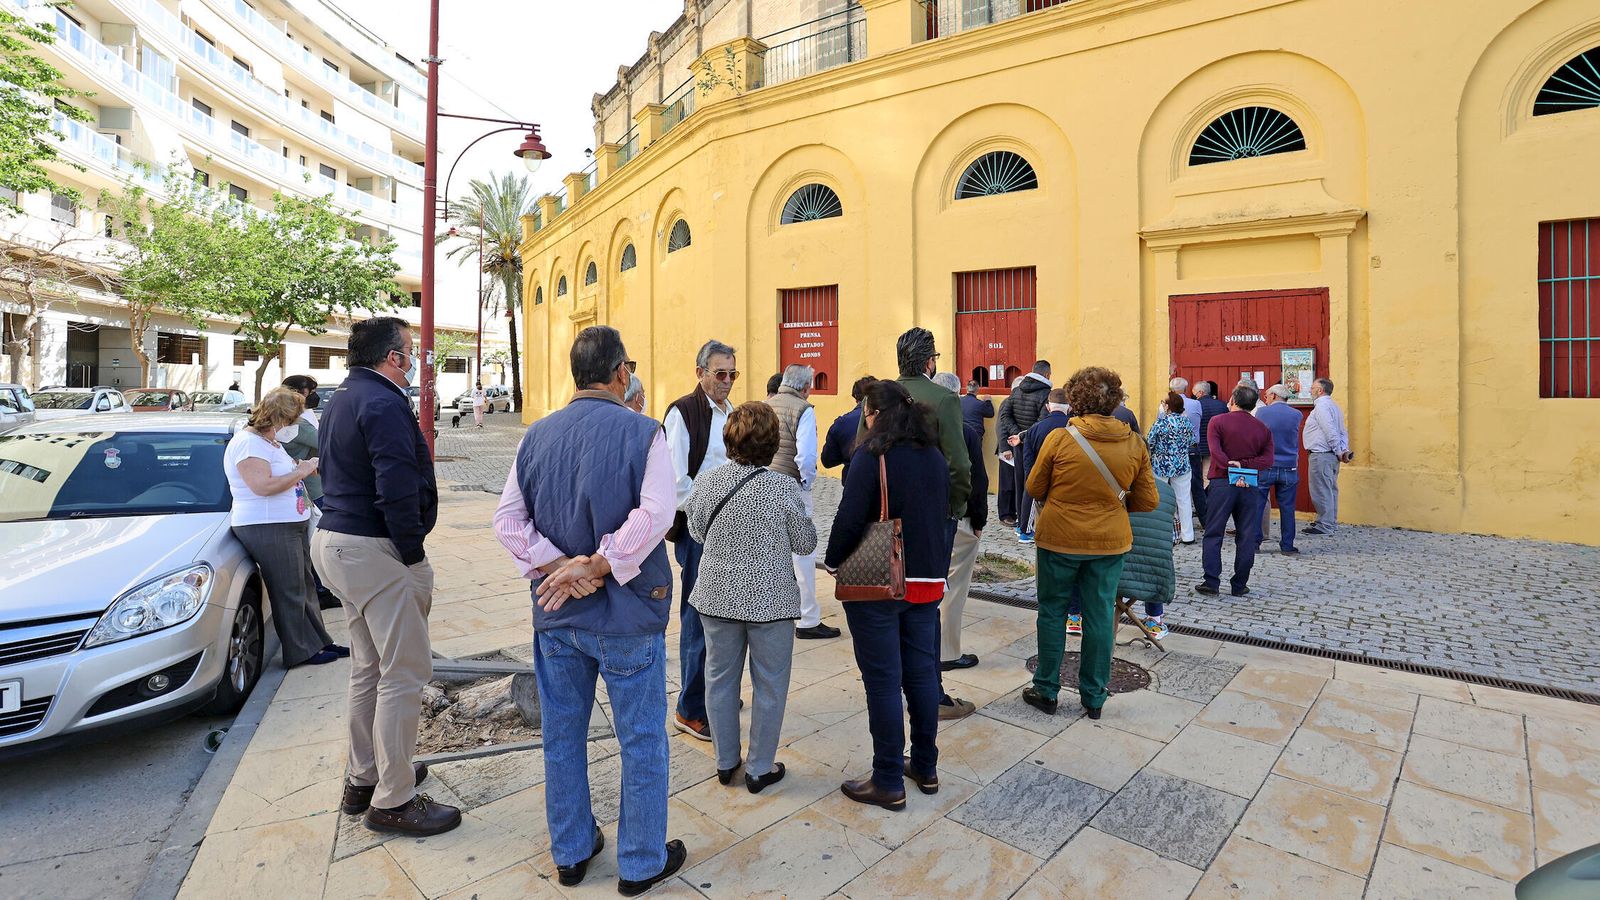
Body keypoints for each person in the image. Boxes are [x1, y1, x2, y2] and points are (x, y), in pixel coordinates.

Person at [493, 325, 685, 894]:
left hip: (558, 617)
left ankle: (572, 851)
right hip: (626, 616)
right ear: (621, 372)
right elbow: (656, 515)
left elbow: (506, 521)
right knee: (643, 738)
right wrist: (594, 565)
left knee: (563, 736)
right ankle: (641, 860)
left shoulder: (535, 436)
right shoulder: (645, 434)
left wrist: (560, 566)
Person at [312, 317, 455, 837]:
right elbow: (396, 482)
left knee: (369, 667)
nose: (415, 361)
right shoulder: (382, 401)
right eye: (411, 352)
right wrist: (412, 553)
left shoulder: (344, 397)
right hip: (373, 548)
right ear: (394, 358)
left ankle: (366, 775)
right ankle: (393, 799)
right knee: (404, 673)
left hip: (339, 543)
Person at [826, 379, 950, 810]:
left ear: (874, 414)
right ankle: (926, 765)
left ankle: (887, 778)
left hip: (881, 583)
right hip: (927, 581)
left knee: (882, 680)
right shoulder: (933, 455)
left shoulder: (872, 456)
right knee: (921, 673)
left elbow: (848, 519)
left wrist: (833, 559)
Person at [686, 401, 816, 795]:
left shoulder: (707, 482)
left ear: (729, 440)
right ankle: (759, 768)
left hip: (716, 595)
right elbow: (805, 542)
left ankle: (726, 762)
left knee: (720, 679)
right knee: (770, 683)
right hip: (769, 600)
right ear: (774, 443)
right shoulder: (783, 487)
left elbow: (695, 532)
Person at [1023, 367, 1158, 720]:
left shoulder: (1060, 439)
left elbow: (1035, 488)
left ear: (1075, 399)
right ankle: (1094, 696)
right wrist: (1111, 501)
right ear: (1114, 400)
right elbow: (1147, 501)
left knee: (1052, 611)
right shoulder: (1133, 443)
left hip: (1059, 539)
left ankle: (1046, 688)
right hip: (1108, 543)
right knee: (1099, 616)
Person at [856, 328, 975, 720]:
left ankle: (895, 683)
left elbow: (862, 453)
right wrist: (952, 510)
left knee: (885, 601)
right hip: (929, 520)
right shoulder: (943, 398)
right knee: (927, 606)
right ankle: (930, 692)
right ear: (930, 362)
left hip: (883, 516)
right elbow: (959, 465)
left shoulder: (878, 396)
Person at [222, 387, 342, 668]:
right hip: (268, 525)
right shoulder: (248, 444)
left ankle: (319, 641)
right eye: (291, 420)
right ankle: (300, 651)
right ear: (280, 417)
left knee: (304, 584)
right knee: (289, 589)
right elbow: (262, 486)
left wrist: (300, 467)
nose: (293, 426)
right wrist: (300, 471)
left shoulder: (268, 442)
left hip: (288, 523)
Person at [663, 339, 738, 741]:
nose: (726, 382)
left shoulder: (730, 413)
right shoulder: (683, 412)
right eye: (719, 374)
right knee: (697, 619)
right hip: (699, 530)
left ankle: (713, 691)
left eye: (732, 374)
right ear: (700, 373)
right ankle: (689, 708)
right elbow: (676, 483)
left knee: (724, 618)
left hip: (729, 530)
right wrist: (714, 510)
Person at [766, 364, 835, 640]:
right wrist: (806, 483)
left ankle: (772, 610)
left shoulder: (765, 405)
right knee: (803, 554)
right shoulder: (803, 410)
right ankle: (807, 618)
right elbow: (806, 457)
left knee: (772, 550)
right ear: (807, 388)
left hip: (764, 484)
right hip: (791, 485)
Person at [932, 372, 987, 672]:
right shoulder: (965, 432)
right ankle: (947, 652)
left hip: (923, 518)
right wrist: (978, 518)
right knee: (954, 587)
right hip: (957, 516)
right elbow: (976, 478)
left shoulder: (918, 427)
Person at [1197, 385, 1274, 597]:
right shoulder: (1261, 428)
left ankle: (1211, 581)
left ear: (1232, 400)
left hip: (1222, 480)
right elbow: (1267, 459)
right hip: (1248, 482)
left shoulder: (1218, 421)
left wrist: (1232, 466)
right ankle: (1240, 584)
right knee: (1246, 534)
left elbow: (1216, 451)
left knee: (1214, 532)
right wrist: (1245, 465)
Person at [279, 376, 335, 608]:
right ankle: (322, 590)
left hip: (299, 490)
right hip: (312, 489)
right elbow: (329, 442)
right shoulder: (300, 425)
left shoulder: (280, 425)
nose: (313, 395)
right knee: (319, 541)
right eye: (311, 391)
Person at [1020, 389, 1072, 625]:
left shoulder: (1035, 429)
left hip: (1044, 494)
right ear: (1068, 406)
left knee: (1045, 544)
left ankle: (1047, 594)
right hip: (1069, 493)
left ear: (1049, 406)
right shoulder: (1075, 427)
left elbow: (1028, 466)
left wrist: (1036, 490)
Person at [999, 361, 1052, 540]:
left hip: (1019, 446)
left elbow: (1005, 416)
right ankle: (1028, 527)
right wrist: (1023, 436)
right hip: (1035, 445)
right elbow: (1042, 422)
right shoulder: (1046, 394)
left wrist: (1017, 435)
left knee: (1020, 482)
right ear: (1047, 375)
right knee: (1033, 484)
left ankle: (1021, 524)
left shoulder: (1016, 391)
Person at [1254, 384, 1303, 553]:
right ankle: (1287, 545)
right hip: (1289, 466)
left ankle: (1255, 543)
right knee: (1288, 507)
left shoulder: (1261, 413)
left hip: (1266, 465)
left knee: (1258, 505)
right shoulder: (1296, 414)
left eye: (1267, 396)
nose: (1265, 399)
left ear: (1274, 396)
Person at [1303, 377, 1352, 535]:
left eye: (1313, 388)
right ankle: (1329, 521)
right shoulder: (1334, 406)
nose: (1310, 390)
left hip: (1322, 454)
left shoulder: (1322, 407)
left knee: (1321, 490)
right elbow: (1342, 431)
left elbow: (1330, 430)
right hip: (1330, 454)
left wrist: (1339, 450)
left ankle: (1325, 525)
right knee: (1330, 489)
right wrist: (1343, 449)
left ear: (1320, 390)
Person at [1147, 391, 1196, 544]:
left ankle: (1160, 532)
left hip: (1161, 465)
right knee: (1184, 500)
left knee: (1159, 498)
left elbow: (1150, 442)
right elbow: (1191, 441)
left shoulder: (1160, 423)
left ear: (1168, 406)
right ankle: (1188, 536)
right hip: (1182, 464)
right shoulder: (1186, 422)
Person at [821, 375, 875, 483]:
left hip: (853, 479)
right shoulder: (893, 418)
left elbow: (827, 460)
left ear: (856, 398)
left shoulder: (842, 423)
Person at [1190, 380, 1228, 527]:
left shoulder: (1196, 405)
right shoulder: (1222, 405)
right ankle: (1211, 508)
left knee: (1196, 480)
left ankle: (1203, 510)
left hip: (1197, 447)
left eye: (1194, 393)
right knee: (1210, 479)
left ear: (1200, 393)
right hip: (1214, 448)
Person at [995, 388, 1020, 526]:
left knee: (1015, 482)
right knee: (1007, 483)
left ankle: (1013, 512)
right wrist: (1004, 447)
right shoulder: (1008, 402)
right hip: (1008, 450)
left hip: (1016, 448)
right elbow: (1001, 426)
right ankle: (1005, 514)